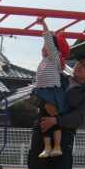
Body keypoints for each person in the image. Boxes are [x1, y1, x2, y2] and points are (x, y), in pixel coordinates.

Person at [33, 18, 70, 158]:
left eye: (46, 46)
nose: (44, 48)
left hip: (52, 92)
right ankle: (47, 148)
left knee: (53, 118)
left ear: (54, 49)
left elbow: (48, 40)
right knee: (43, 120)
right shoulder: (45, 60)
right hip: (43, 93)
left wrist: (44, 25)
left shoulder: (54, 58)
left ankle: (57, 146)